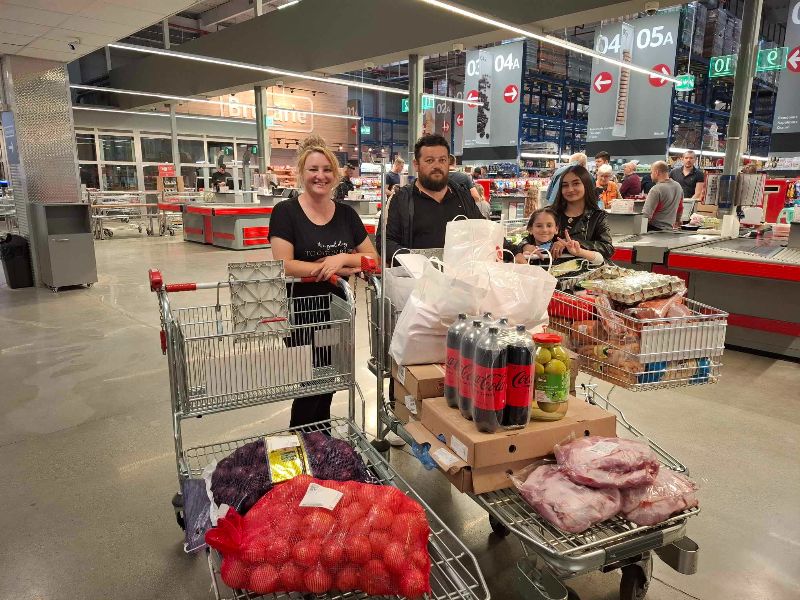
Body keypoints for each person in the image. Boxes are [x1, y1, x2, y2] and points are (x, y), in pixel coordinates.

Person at [269, 135, 378, 427]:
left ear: (336, 174)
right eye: (313, 169)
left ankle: (322, 439)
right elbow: (284, 264)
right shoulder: (285, 212)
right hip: (301, 310)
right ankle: (302, 440)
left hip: (337, 309)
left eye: (327, 169)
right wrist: (333, 269)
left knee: (330, 378)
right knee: (308, 385)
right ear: (301, 174)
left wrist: (340, 259)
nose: (321, 176)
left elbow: (372, 259)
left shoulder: (346, 215)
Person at [376, 134, 484, 264]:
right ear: (416, 164)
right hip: (414, 281)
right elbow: (385, 243)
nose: (437, 166)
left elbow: (483, 230)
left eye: (442, 160)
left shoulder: (462, 197)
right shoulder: (400, 200)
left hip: (459, 280)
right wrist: (419, 261)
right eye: (429, 160)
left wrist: (512, 250)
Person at [548, 165, 614, 262]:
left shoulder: (597, 216)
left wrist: (575, 243)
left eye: (576, 183)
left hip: (586, 273)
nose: (570, 189)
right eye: (565, 185)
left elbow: (607, 248)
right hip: (550, 273)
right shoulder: (550, 213)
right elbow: (529, 239)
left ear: (586, 185)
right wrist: (524, 247)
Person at [644, 161, 685, 231]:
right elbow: (680, 207)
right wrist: (678, 220)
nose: (650, 175)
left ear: (656, 172)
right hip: (669, 229)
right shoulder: (678, 186)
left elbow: (646, 215)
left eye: (651, 172)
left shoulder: (656, 189)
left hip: (654, 229)